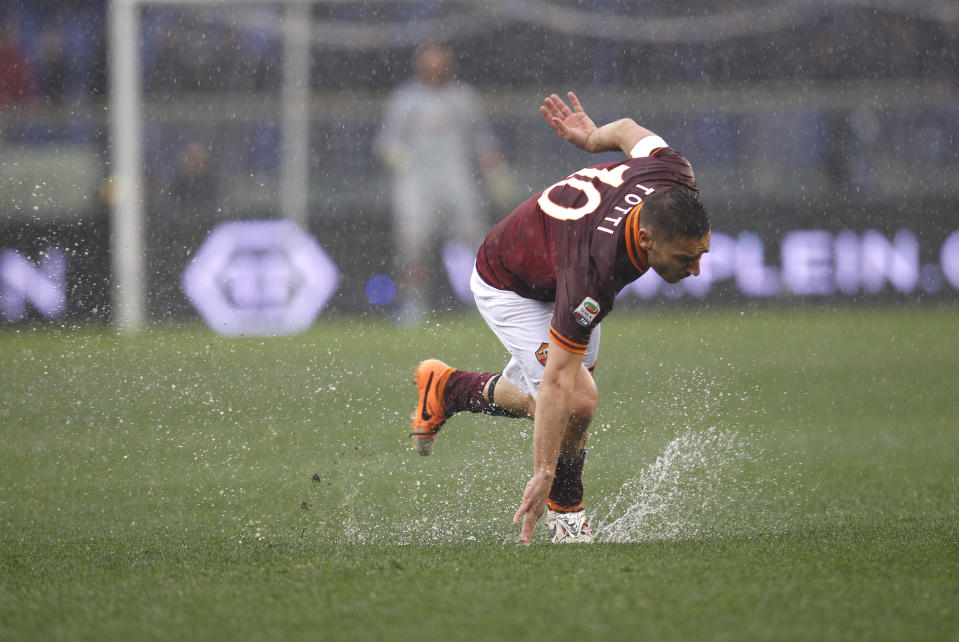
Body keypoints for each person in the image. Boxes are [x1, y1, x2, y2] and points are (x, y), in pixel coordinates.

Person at [408, 92, 711, 546]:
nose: (696, 269)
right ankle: (567, 518)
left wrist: (592, 139)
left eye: (701, 253)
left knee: (571, 407)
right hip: (509, 284)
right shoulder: (593, 270)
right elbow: (557, 385)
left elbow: (627, 127)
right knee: (576, 401)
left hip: (556, 271)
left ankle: (449, 388)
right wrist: (543, 472)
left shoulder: (674, 172)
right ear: (646, 239)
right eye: (686, 257)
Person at [374, 42, 510, 323]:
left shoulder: (463, 99)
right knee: (412, 246)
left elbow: (483, 142)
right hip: (416, 184)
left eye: (440, 63)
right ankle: (414, 305)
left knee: (478, 241)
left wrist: (496, 174)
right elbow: (386, 142)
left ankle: (488, 304)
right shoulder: (406, 100)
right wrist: (397, 158)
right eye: (429, 64)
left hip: (457, 179)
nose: (435, 70)